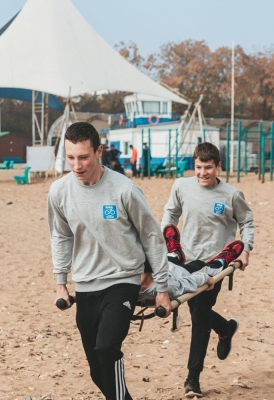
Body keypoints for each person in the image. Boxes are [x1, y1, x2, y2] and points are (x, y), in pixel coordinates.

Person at [47, 122, 172, 400]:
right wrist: (60, 282)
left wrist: (162, 288)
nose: (76, 165)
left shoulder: (124, 189)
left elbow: (151, 236)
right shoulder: (59, 191)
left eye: (83, 157)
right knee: (96, 370)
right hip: (85, 283)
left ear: (99, 151)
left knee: (106, 349)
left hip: (123, 279)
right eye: (70, 158)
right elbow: (61, 236)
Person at [161, 142, 255, 398]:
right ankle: (225, 328)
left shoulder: (231, 194)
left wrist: (246, 249)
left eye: (209, 168)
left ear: (218, 166)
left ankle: (192, 379)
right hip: (185, 260)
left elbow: (246, 222)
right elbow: (170, 213)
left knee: (200, 315)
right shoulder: (181, 186)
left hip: (217, 263)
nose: (203, 173)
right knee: (196, 310)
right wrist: (166, 236)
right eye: (199, 167)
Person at [140, 224, 244, 301]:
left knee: (171, 259)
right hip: (178, 272)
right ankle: (220, 262)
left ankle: (176, 253)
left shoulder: (165, 286)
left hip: (169, 267)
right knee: (198, 265)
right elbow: (189, 281)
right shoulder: (169, 286)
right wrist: (206, 278)